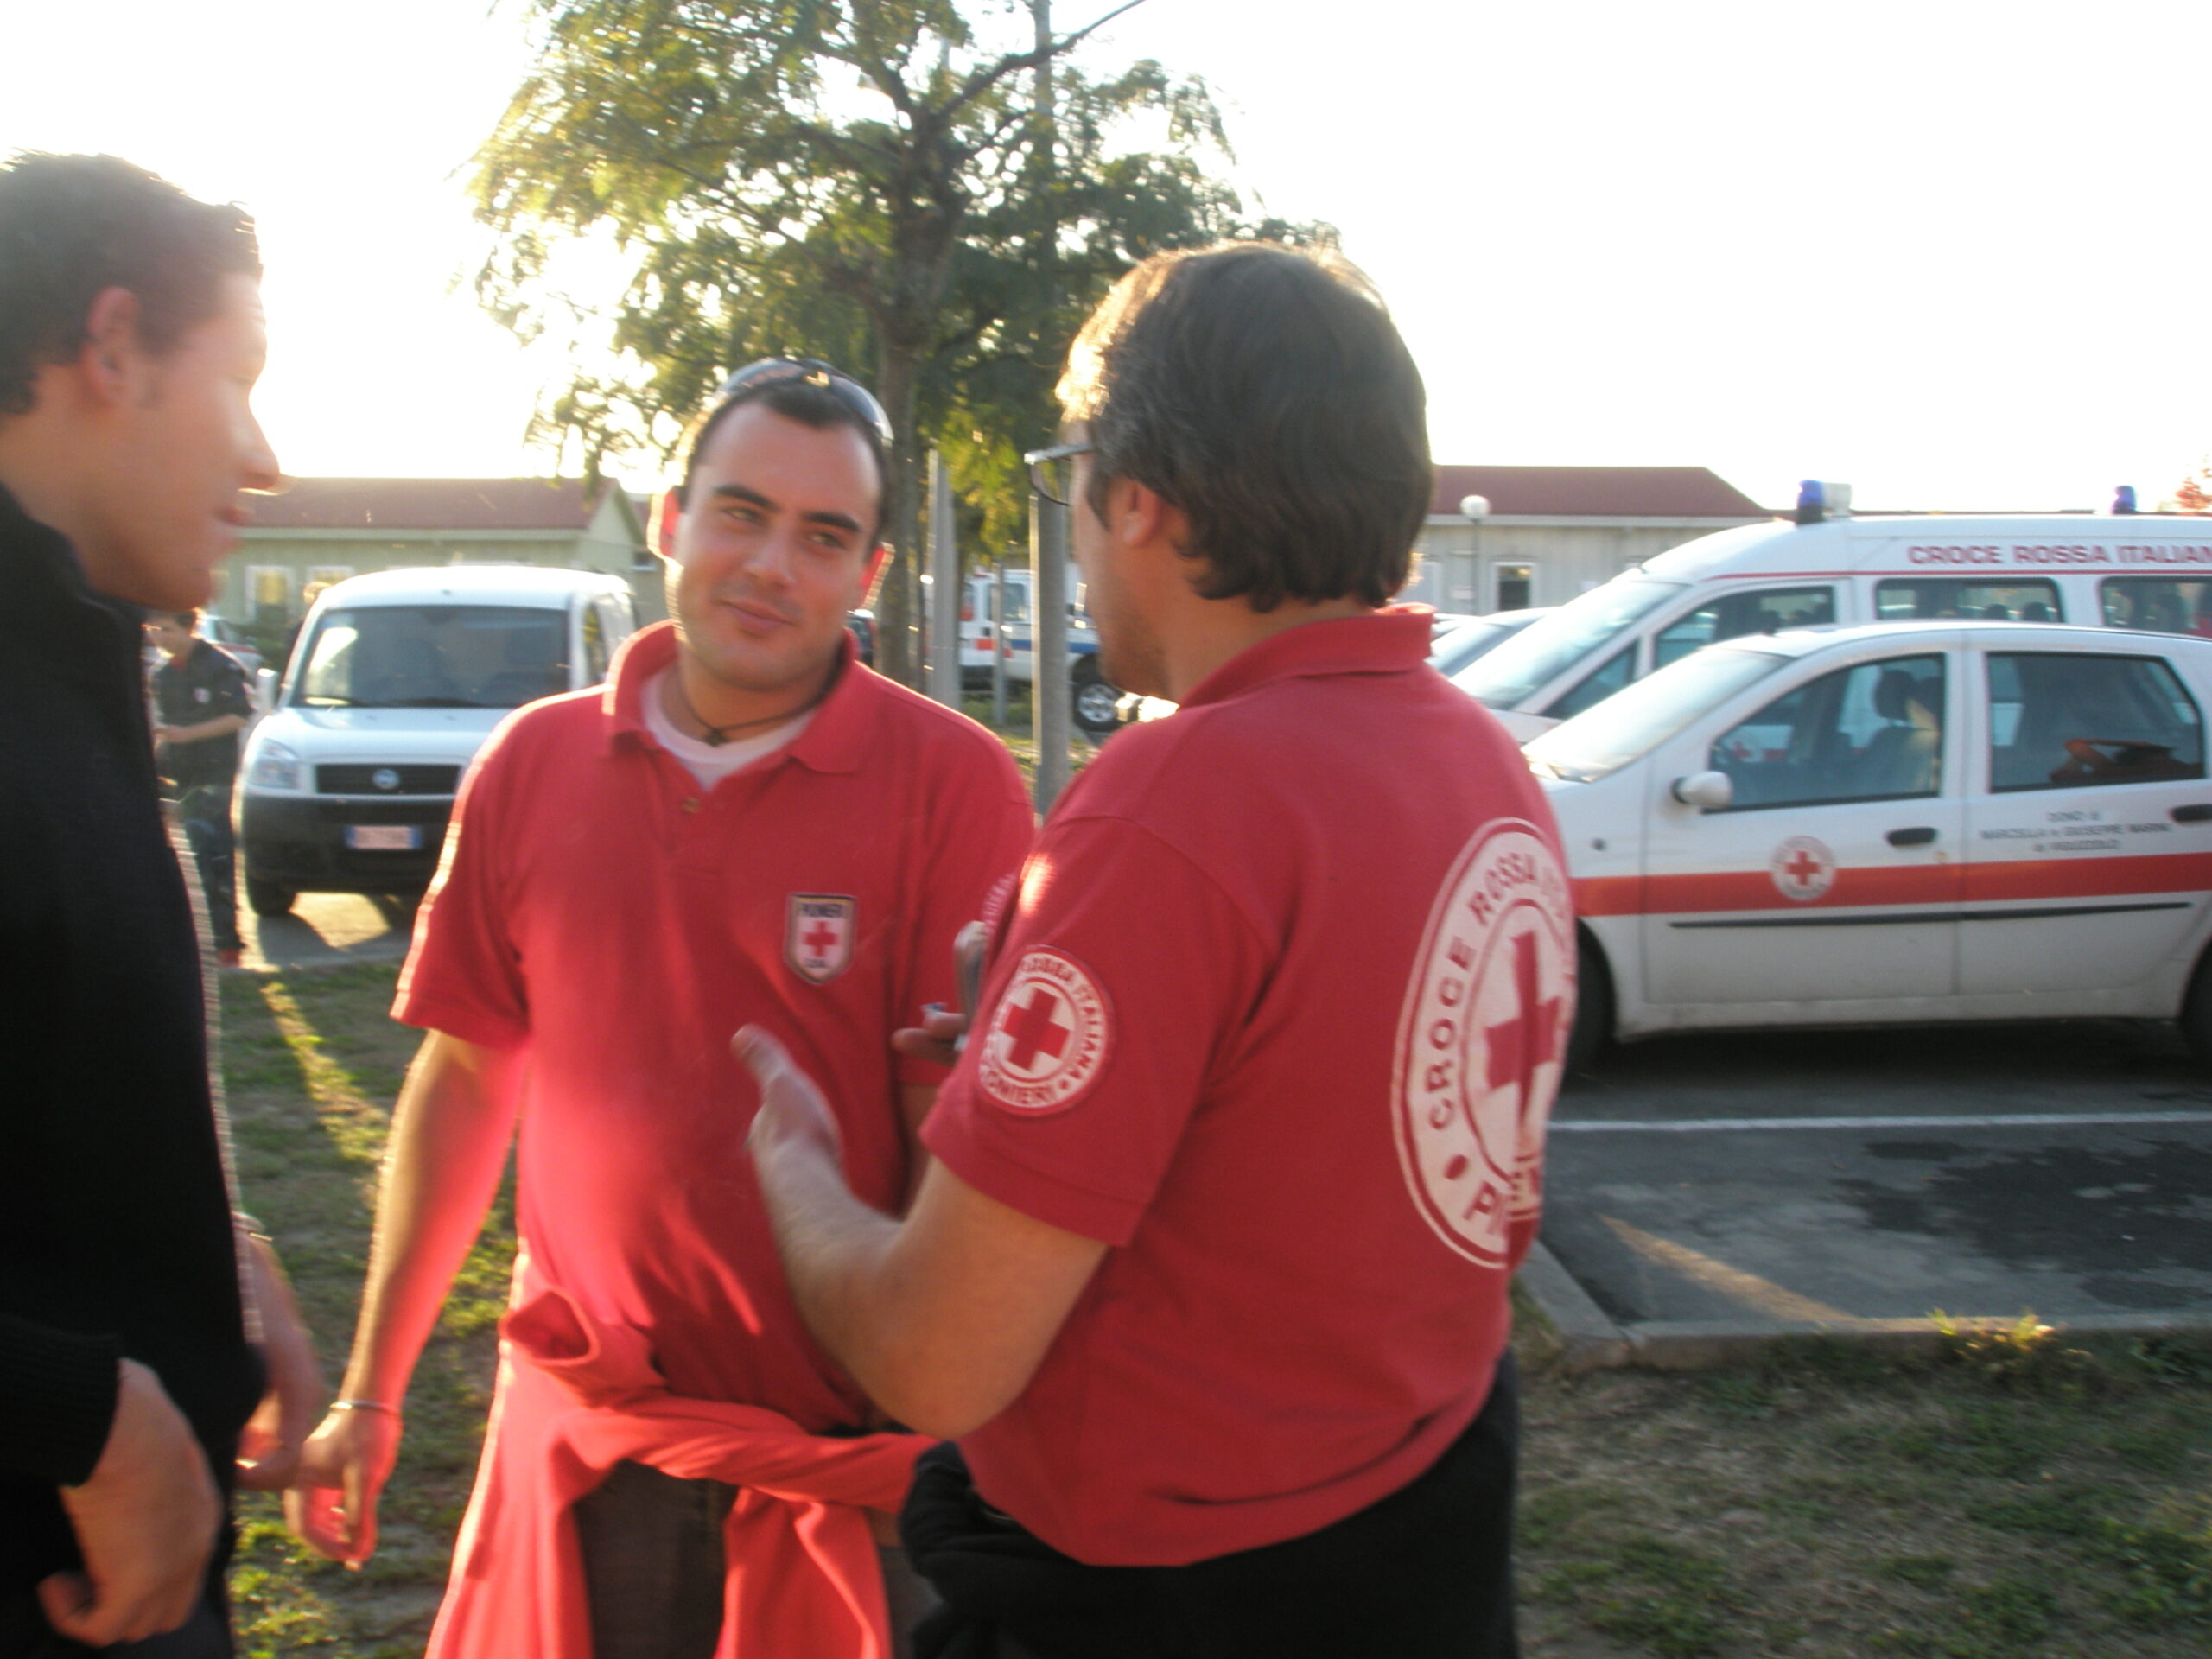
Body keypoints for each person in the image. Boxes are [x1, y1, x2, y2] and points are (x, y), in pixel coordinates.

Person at [743, 244, 1573, 1658]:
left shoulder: (1181, 806)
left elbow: (937, 1358)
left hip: (1177, 1600)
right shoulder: (1490, 773)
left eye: (1070, 478)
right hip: (1421, 1533)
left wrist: (796, 1169)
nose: (1071, 529)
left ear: (1136, 498)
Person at [289, 359, 1035, 1659]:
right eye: (741, 514)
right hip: (599, 1452)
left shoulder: (953, 783)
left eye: (824, 537)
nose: (771, 567)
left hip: (858, 1480)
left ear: (869, 577)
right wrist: (373, 1388)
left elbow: (960, 1160)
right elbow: (466, 1082)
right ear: (670, 518)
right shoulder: (532, 763)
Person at [0, 151, 321, 1656]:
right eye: (242, 378)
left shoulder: (69, 655)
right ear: (111, 345)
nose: (264, 460)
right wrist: (84, 1414)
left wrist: (214, 1245)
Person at [149, 609, 253, 966]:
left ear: (188, 628)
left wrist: (187, 735)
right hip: (180, 776)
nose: (160, 637)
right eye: (153, 630)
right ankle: (195, 943)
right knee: (185, 859)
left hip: (213, 776)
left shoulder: (219, 665)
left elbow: (239, 715)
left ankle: (226, 943)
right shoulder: (162, 675)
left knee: (213, 855)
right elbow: (166, 729)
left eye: (166, 629)